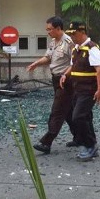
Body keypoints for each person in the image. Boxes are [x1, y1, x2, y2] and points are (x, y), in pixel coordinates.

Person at [27, 16, 78, 154]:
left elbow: (76, 63)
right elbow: (48, 57)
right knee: (68, 111)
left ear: (58, 28)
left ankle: (46, 142)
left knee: (57, 111)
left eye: (50, 29)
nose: (48, 32)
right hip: (56, 79)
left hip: (66, 80)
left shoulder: (69, 42)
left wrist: (65, 75)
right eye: (47, 29)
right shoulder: (53, 42)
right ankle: (80, 137)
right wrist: (36, 63)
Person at [61, 21, 100, 161]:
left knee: (78, 117)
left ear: (82, 32)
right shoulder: (76, 49)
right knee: (85, 117)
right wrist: (65, 75)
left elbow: (99, 71)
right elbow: (73, 66)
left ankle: (90, 145)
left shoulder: (92, 49)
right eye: (71, 34)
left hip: (88, 90)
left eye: (74, 33)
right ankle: (92, 146)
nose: (72, 36)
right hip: (77, 89)